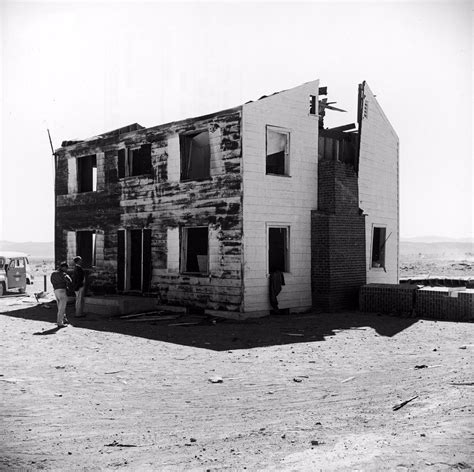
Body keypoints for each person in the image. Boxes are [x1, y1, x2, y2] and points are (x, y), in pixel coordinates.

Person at [50, 262, 72, 327]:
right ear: (64, 267)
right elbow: (69, 280)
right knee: (62, 308)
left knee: (59, 306)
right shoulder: (63, 274)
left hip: (56, 290)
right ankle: (59, 323)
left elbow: (51, 281)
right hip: (62, 290)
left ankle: (64, 319)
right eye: (66, 268)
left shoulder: (53, 273)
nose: (67, 269)